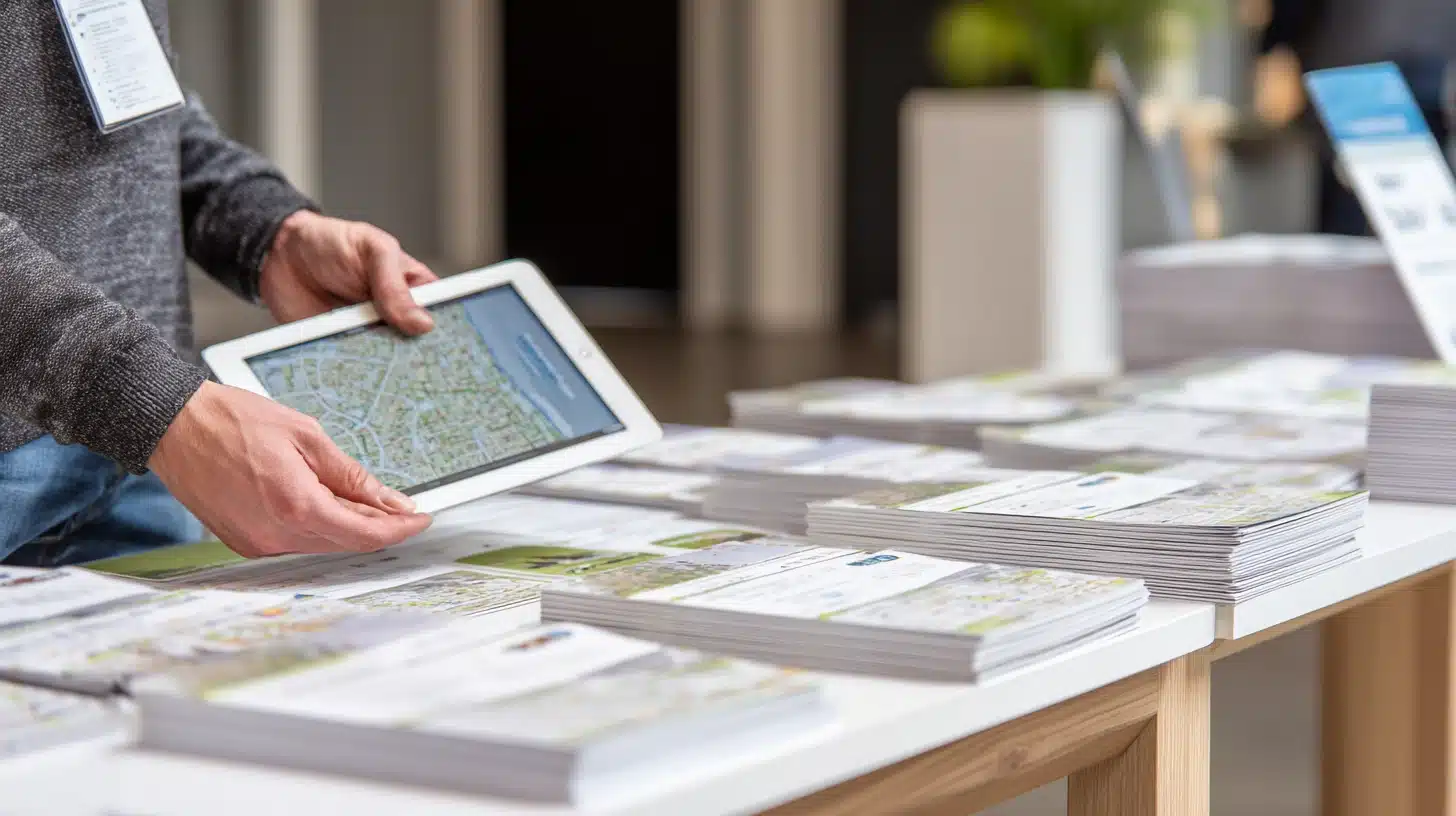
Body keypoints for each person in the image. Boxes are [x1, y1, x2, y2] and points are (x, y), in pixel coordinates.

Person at [0, 0, 435, 566]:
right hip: (135, 426)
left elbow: (138, 110)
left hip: (149, 461)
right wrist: (150, 402)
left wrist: (270, 231)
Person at [1258, 0, 1456, 234]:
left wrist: (1274, 44)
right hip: (1430, 59)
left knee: (1357, 205)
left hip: (1356, 64)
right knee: (1422, 203)